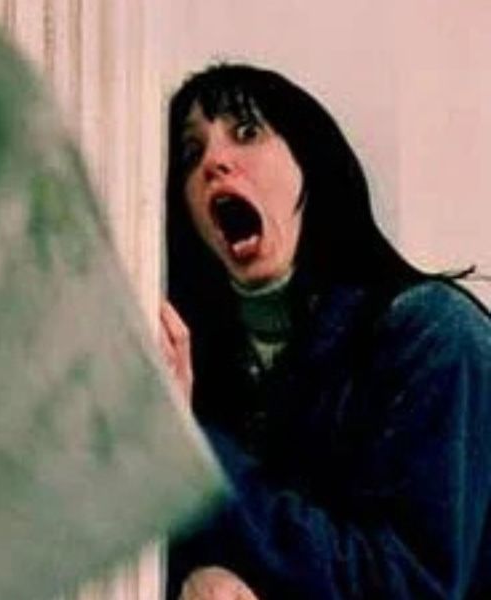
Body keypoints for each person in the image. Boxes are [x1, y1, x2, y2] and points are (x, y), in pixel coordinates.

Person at [158, 63, 491, 600]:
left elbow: (409, 586)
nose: (214, 162)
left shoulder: (434, 334)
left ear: (308, 162)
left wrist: (189, 445)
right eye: (191, 154)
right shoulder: (207, 363)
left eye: (247, 131)